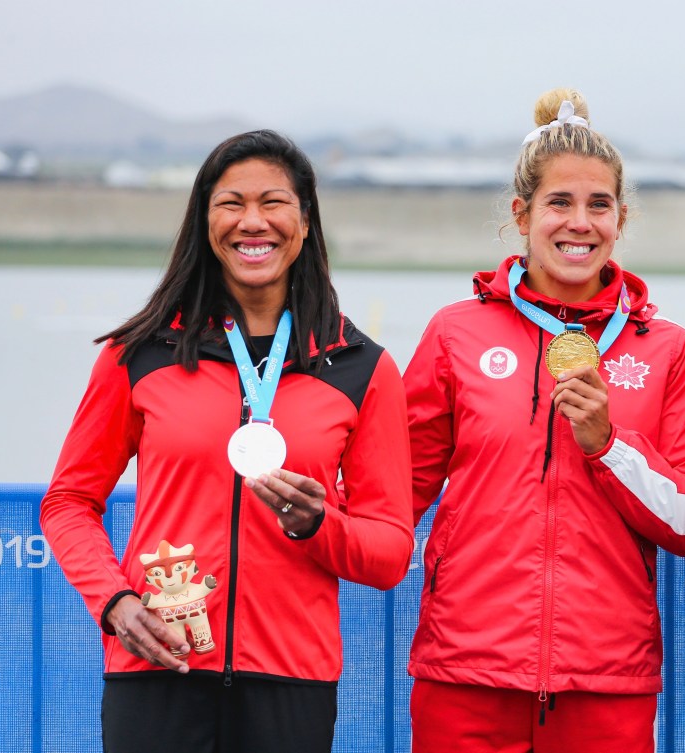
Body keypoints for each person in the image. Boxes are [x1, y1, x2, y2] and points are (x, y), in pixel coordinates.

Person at [40, 130, 413, 753]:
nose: (252, 222)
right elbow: (68, 503)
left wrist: (320, 525)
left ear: (304, 219)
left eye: (273, 202)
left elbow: (390, 552)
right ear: (204, 219)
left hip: (291, 682)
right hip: (157, 665)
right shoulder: (138, 353)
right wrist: (114, 604)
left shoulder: (361, 367)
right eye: (230, 203)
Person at [402, 88, 685, 753]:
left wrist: (607, 444)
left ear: (620, 218)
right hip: (467, 671)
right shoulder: (455, 332)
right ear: (522, 214)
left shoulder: (663, 347)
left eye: (598, 205)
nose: (580, 222)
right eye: (559, 203)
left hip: (605, 682)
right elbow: (393, 494)